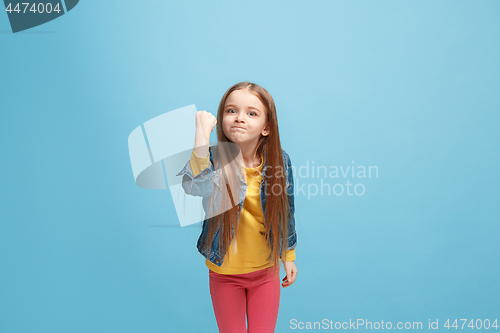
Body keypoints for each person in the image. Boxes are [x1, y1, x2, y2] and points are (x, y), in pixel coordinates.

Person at [176, 81, 298, 333]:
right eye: (231, 111)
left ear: (266, 128)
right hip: (224, 272)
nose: (239, 118)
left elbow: (285, 212)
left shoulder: (280, 161)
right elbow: (194, 187)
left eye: (251, 113)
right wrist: (201, 134)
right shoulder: (211, 158)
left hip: (265, 272)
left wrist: (289, 255)